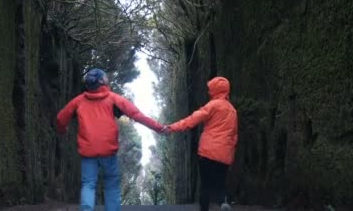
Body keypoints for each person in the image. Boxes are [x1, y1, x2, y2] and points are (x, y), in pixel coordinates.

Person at [56, 68, 165, 211]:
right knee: (111, 184)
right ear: (102, 81)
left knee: (88, 184)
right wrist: (159, 128)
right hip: (108, 150)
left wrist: (62, 130)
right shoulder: (113, 98)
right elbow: (137, 115)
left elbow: (60, 119)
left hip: (88, 151)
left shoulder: (78, 101)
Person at [163, 76, 238, 211]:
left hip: (208, 153)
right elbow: (234, 135)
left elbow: (192, 120)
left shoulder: (212, 106)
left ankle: (204, 209)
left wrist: (172, 127)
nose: (209, 92)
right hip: (224, 154)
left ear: (215, 90)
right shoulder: (232, 110)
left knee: (205, 185)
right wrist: (230, 153)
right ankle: (223, 202)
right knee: (220, 184)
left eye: (210, 89)